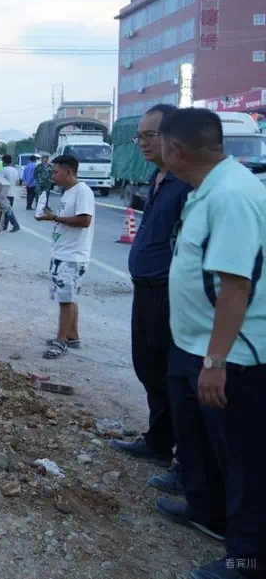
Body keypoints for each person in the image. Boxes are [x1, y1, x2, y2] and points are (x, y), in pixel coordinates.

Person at [156, 108, 266, 579]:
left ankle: (247, 558)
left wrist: (217, 360)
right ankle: (205, 510)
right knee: (201, 441)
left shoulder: (233, 196)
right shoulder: (206, 188)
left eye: (158, 142)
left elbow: (236, 286)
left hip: (232, 354)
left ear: (175, 149)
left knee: (243, 462)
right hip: (195, 343)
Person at [108, 104, 191, 496]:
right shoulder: (157, 178)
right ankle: (158, 440)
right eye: (138, 136)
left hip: (169, 294)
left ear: (172, 136)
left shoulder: (187, 184)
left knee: (173, 375)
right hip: (146, 290)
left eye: (148, 135)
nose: (140, 142)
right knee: (147, 366)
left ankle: (186, 463)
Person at [36, 154, 94, 359]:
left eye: (56, 172)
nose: (53, 176)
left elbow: (85, 220)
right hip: (62, 251)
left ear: (68, 172)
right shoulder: (66, 192)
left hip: (73, 255)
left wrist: (55, 217)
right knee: (69, 296)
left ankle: (61, 342)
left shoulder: (83, 191)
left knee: (65, 300)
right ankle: (72, 336)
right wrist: (50, 217)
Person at [0, 155, 21, 232]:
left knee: (7, 210)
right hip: (13, 193)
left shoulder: (4, 170)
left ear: (4, 161)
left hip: (5, 193)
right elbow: (18, 182)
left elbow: (0, 181)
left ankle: (15, 225)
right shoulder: (15, 170)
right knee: (7, 209)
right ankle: (5, 226)